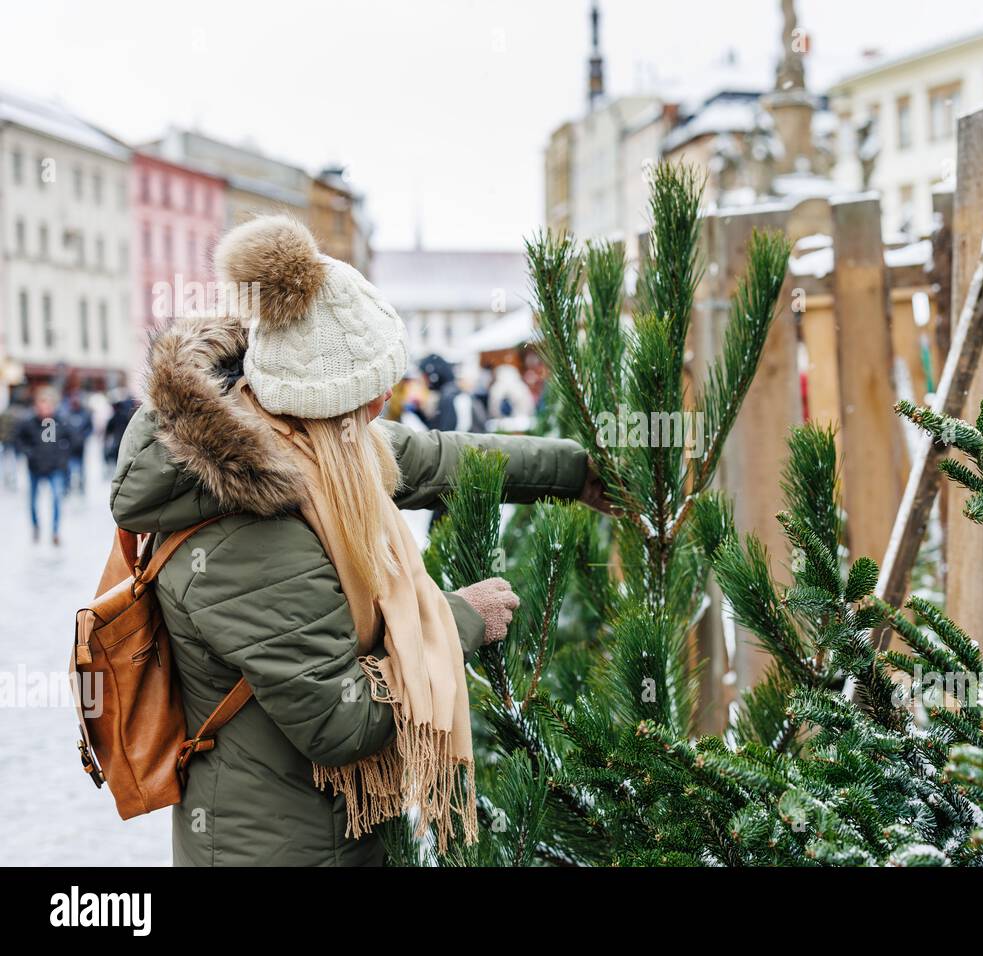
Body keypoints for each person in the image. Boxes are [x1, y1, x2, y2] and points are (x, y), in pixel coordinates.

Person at [110, 216, 608, 866]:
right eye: (374, 395)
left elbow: (436, 458)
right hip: (267, 845)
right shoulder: (250, 532)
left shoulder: (303, 439)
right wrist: (458, 621)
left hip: (332, 823)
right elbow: (338, 720)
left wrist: (577, 471)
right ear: (336, 403)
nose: (385, 406)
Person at [15, 386, 72, 544]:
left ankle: (55, 531)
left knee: (56, 499)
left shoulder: (60, 421)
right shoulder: (28, 422)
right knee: (32, 501)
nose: (44, 408)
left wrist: (62, 457)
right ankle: (35, 526)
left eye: (47, 405)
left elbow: (71, 440)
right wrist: (29, 453)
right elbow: (19, 440)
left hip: (55, 468)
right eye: (41, 404)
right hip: (35, 468)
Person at [417, 352, 487, 433]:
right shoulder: (449, 393)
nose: (424, 382)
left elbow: (450, 435)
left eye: (424, 377)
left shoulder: (453, 397)